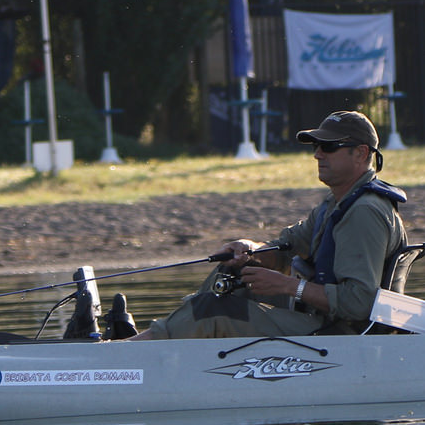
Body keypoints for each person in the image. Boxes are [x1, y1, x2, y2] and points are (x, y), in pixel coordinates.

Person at [136, 110, 406, 339]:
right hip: (321, 318)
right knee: (233, 272)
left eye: (329, 147)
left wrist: (289, 286)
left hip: (340, 335)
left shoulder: (364, 213)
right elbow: (286, 247)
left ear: (360, 154)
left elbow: (359, 303)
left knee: (211, 311)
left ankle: (130, 351)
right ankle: (165, 337)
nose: (318, 155)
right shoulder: (337, 203)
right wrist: (251, 250)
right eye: (316, 147)